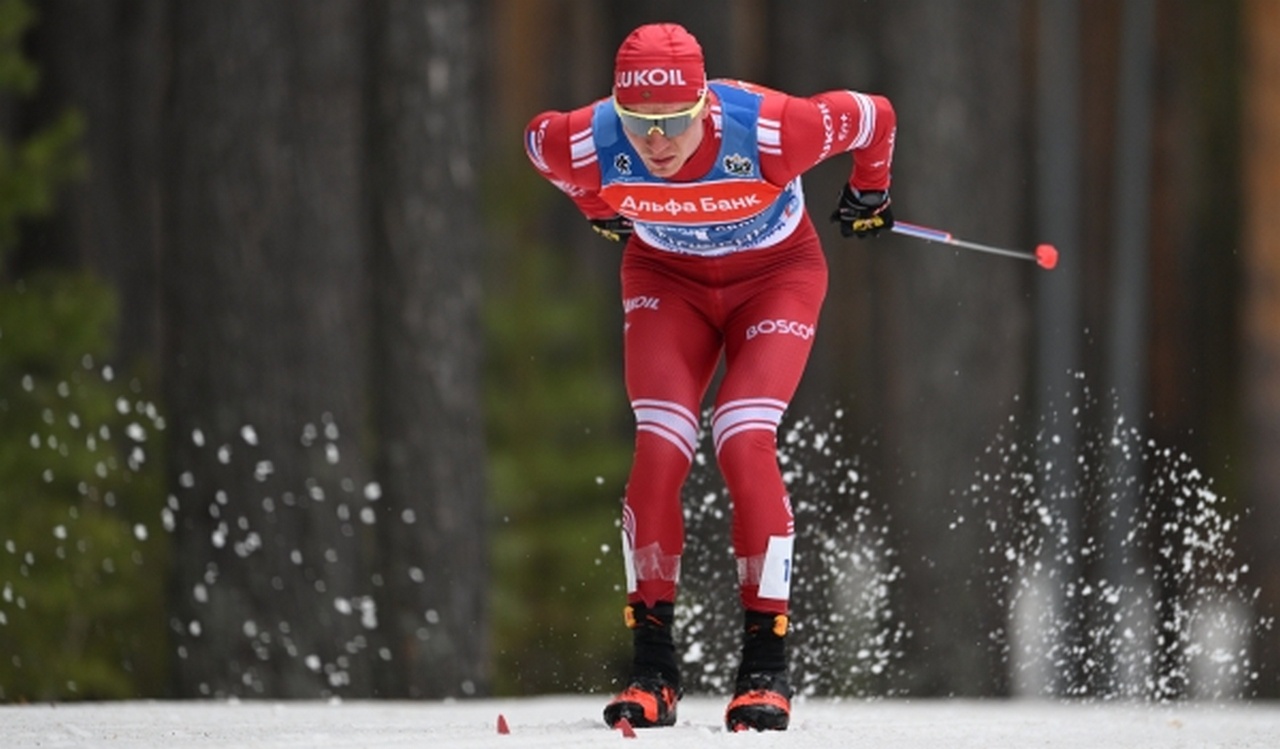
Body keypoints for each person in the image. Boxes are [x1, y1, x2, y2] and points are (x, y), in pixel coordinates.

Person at [523, 22, 896, 732]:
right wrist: (599, 207)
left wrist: (869, 191)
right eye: (638, 122)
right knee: (660, 445)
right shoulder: (587, 139)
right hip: (668, 281)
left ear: (705, 105)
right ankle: (652, 670)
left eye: (674, 122)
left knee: (740, 433)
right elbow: (539, 143)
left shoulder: (779, 130)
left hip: (776, 278)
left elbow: (876, 113)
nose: (655, 143)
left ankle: (765, 670)